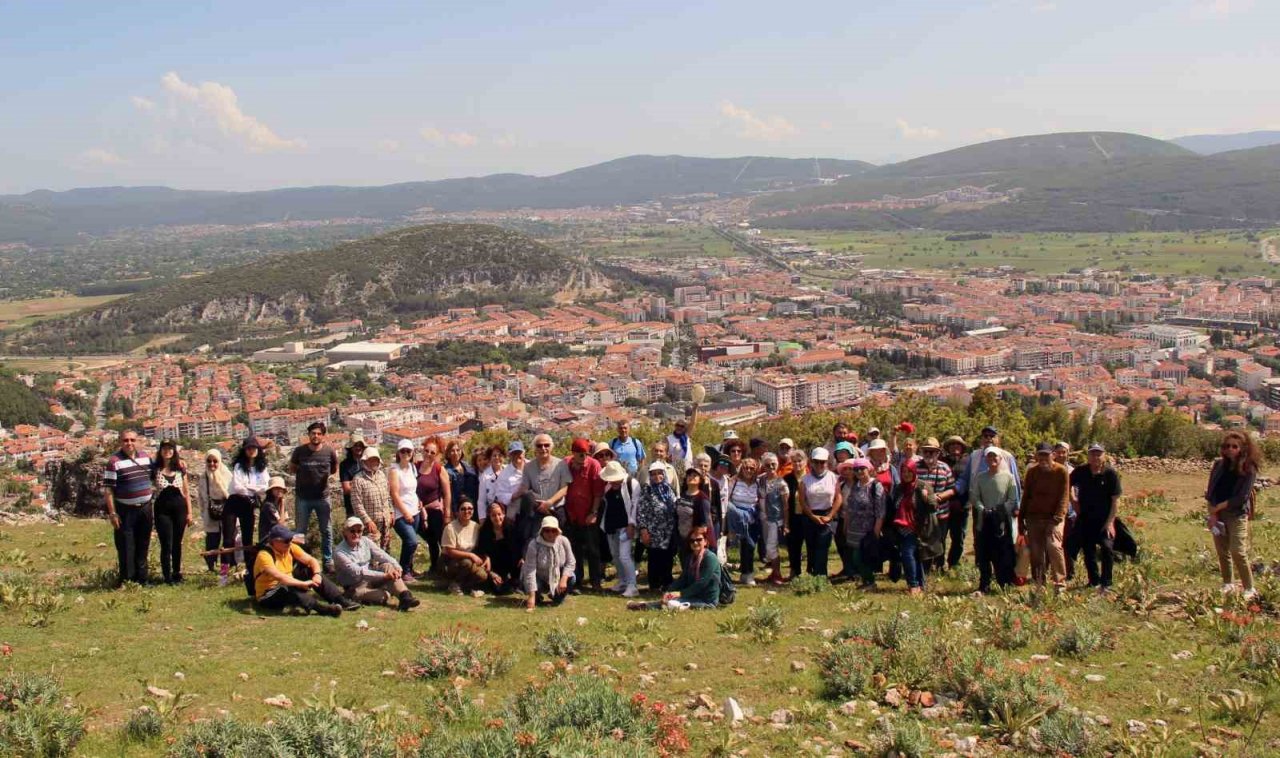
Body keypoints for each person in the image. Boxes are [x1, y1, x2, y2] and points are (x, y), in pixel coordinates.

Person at [253, 524, 354, 616]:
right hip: (268, 595)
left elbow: (311, 560)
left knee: (308, 570)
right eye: (286, 540)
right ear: (275, 541)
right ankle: (323, 609)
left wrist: (317, 574)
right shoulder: (264, 555)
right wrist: (302, 584)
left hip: (287, 584)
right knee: (286, 587)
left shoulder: (290, 547)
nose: (289, 542)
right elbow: (281, 578)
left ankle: (340, 600)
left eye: (290, 539)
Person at [1206, 431, 1260, 598]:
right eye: (1227, 446)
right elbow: (1211, 489)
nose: (1230, 449)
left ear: (1242, 448)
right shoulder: (1218, 465)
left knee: (1237, 550)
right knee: (1222, 550)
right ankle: (1228, 583)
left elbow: (1242, 496)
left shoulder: (1249, 468)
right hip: (1217, 512)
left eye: (1234, 446)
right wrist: (1213, 513)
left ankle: (1249, 588)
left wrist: (1220, 507)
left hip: (1236, 514)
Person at [333, 517, 419, 611]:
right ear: (345, 532)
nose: (356, 534)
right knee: (383, 595)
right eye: (352, 531)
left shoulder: (365, 541)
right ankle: (387, 591)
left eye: (359, 531)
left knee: (388, 566)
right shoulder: (339, 552)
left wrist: (397, 566)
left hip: (371, 579)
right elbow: (358, 572)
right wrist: (385, 576)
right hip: (355, 586)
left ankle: (405, 597)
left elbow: (381, 554)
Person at [1070, 443, 1122, 593]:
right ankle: (1093, 581)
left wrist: (1111, 522)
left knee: (1107, 548)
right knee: (1088, 551)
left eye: (1098, 454)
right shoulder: (1081, 471)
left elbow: (1115, 500)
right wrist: (1073, 501)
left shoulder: (1110, 474)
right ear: (1088, 456)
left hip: (1104, 519)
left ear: (1104, 455)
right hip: (1085, 517)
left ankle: (1107, 582)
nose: (1095, 457)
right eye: (1093, 454)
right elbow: (1067, 484)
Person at [103, 429, 153, 585]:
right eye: (126, 440)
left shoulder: (145, 458)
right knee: (126, 546)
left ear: (137, 441)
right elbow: (109, 489)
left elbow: (157, 473)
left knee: (143, 544)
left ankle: (143, 578)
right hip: (125, 510)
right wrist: (112, 513)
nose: (129, 443)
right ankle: (127, 580)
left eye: (132, 440)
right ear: (120, 442)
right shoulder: (114, 461)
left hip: (145, 508)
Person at [629, 527, 721, 610]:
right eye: (692, 541)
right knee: (670, 600)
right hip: (694, 596)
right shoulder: (690, 558)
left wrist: (680, 593)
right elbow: (683, 578)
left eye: (699, 540)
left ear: (705, 541)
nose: (695, 542)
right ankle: (645, 605)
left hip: (707, 601)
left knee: (672, 603)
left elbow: (701, 583)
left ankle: (644, 606)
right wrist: (669, 592)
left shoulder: (710, 558)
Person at [290, 421, 339, 573]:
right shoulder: (299, 451)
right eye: (313, 433)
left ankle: (327, 561)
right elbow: (292, 468)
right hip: (303, 497)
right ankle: (301, 562)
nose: (315, 436)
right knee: (300, 531)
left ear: (323, 436)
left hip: (322, 497)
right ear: (309, 435)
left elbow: (334, 469)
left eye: (319, 433)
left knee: (326, 530)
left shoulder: (329, 452)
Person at [970, 447, 1019, 593]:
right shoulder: (980, 477)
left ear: (1000, 459)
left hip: (1002, 521)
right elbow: (974, 497)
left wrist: (999, 509)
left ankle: (1004, 583)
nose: (992, 460)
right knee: (984, 553)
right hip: (984, 520)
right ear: (985, 459)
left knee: (1002, 553)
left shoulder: (1008, 477)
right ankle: (984, 584)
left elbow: (1012, 499)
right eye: (989, 457)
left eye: (995, 457)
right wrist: (982, 509)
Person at [1021, 442, 1069, 590]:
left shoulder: (1061, 471)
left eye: (1046, 455)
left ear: (1052, 455)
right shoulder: (1032, 472)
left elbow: (1064, 496)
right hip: (1034, 516)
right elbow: (1026, 495)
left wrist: (1057, 518)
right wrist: (1020, 519)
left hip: (1054, 517)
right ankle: (1039, 583)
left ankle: (1060, 582)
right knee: (1036, 551)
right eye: (1040, 455)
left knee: (1054, 546)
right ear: (1036, 456)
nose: (1042, 459)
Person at [891, 460, 940, 595]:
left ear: (914, 471)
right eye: (904, 472)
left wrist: (926, 498)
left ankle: (913, 585)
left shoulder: (922, 486)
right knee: (913, 556)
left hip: (916, 528)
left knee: (908, 555)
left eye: (909, 471)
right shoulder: (899, 488)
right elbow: (893, 505)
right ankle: (920, 585)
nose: (906, 475)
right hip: (900, 527)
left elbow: (933, 506)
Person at [224, 436, 269, 580]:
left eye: (254, 448)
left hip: (248, 504)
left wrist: (248, 488)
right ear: (245, 450)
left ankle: (250, 571)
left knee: (248, 539)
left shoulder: (261, 467)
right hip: (234, 502)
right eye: (249, 448)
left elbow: (265, 487)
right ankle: (225, 573)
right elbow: (237, 487)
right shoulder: (239, 466)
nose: (251, 451)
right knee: (228, 539)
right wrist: (253, 489)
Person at [563, 438, 605, 590]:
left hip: (589, 514)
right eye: (580, 454)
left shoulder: (594, 465)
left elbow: (598, 493)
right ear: (573, 453)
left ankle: (596, 581)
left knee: (593, 548)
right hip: (572, 514)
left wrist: (593, 512)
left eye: (586, 454)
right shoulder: (566, 464)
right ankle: (577, 581)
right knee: (575, 550)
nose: (583, 458)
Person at [517, 434, 572, 550]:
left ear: (551, 447)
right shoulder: (528, 467)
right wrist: (540, 504)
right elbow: (526, 489)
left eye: (546, 445)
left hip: (556, 509)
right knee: (536, 542)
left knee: (559, 544)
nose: (543, 448)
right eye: (539, 445)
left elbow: (565, 488)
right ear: (535, 448)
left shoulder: (561, 464)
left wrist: (550, 503)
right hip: (537, 509)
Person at [839, 458, 885, 587]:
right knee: (856, 557)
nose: (859, 472)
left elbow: (880, 511)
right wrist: (845, 526)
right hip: (854, 528)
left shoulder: (876, 485)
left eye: (862, 469)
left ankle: (870, 581)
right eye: (856, 469)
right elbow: (849, 507)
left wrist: (876, 530)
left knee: (861, 557)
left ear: (869, 469)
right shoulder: (855, 485)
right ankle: (866, 581)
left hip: (868, 529)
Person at [151, 440, 191, 584]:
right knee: (166, 543)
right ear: (160, 451)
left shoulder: (180, 469)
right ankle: (166, 575)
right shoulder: (155, 469)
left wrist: (190, 513)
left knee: (177, 543)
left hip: (179, 509)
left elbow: (186, 491)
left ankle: (177, 573)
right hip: (163, 510)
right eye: (164, 449)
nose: (167, 451)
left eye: (170, 449)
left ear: (174, 451)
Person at [598, 460, 640, 597]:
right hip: (611, 525)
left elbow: (635, 505)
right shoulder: (608, 487)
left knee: (625, 556)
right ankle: (622, 580)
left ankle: (632, 585)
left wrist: (631, 524)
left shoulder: (632, 484)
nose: (613, 482)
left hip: (626, 526)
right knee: (615, 555)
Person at [798, 447, 842, 578]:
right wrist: (812, 516)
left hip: (827, 514)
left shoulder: (833, 478)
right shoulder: (805, 480)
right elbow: (802, 500)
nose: (819, 465)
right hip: (810, 515)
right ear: (811, 462)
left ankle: (821, 575)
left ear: (827, 462)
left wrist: (830, 515)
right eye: (816, 462)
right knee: (811, 546)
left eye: (822, 462)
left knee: (823, 546)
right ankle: (812, 573)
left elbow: (838, 497)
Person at [636, 461, 680, 590]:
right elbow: (641, 511)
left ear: (664, 474)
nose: (657, 477)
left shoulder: (668, 489)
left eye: (659, 473)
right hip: (653, 531)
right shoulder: (647, 490)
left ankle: (667, 583)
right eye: (653, 474)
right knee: (654, 558)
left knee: (667, 558)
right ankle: (654, 585)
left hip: (669, 531)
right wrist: (643, 530)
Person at [915, 437, 956, 572]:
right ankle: (923, 568)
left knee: (940, 540)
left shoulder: (945, 468)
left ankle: (939, 566)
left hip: (940, 512)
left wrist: (939, 497)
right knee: (922, 540)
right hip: (920, 513)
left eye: (932, 452)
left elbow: (952, 488)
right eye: (926, 451)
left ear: (938, 453)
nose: (928, 454)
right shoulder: (915, 467)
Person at [522, 516, 577, 610]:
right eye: (547, 530)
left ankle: (557, 597)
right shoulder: (534, 544)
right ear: (542, 531)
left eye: (553, 530)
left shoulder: (563, 541)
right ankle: (537, 597)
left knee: (572, 578)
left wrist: (563, 579)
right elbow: (530, 570)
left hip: (557, 577)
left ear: (558, 531)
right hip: (538, 577)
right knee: (530, 582)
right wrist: (531, 596)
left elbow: (571, 562)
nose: (550, 533)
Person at [415, 437, 452, 575]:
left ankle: (442, 568)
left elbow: (447, 493)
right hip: (418, 511)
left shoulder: (438, 469)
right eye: (427, 451)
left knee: (439, 539)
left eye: (432, 453)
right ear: (422, 450)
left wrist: (447, 514)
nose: (429, 454)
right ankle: (435, 567)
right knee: (430, 540)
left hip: (435, 511)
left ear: (437, 455)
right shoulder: (415, 467)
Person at [387, 439, 422, 578]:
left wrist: (419, 502)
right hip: (401, 513)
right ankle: (403, 570)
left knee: (411, 544)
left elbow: (413, 490)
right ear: (398, 453)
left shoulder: (413, 468)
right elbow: (394, 494)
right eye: (403, 451)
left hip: (415, 511)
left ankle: (409, 568)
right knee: (411, 541)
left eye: (408, 451)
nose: (406, 453)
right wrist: (405, 512)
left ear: (413, 453)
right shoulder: (394, 470)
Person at [350, 446, 394, 552]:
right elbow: (357, 504)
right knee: (373, 552)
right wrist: (368, 521)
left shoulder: (382, 475)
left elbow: (388, 496)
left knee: (386, 552)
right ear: (365, 461)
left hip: (385, 521)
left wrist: (391, 512)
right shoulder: (358, 479)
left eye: (376, 459)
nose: (375, 462)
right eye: (371, 460)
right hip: (370, 525)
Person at [725, 457, 761, 585]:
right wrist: (738, 514)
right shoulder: (734, 481)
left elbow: (760, 499)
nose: (749, 470)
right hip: (736, 515)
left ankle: (746, 573)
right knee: (745, 543)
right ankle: (746, 573)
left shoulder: (758, 483)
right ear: (742, 468)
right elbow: (726, 499)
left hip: (752, 516)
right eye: (746, 467)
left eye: (752, 468)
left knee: (750, 545)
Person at [441, 500, 487, 596]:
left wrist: (487, 558)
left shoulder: (476, 526)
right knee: (467, 562)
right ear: (457, 512)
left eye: (470, 508)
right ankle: (455, 584)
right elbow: (450, 552)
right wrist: (471, 555)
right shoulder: (450, 527)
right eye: (463, 509)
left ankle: (465, 586)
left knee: (482, 575)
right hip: (450, 561)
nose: (467, 511)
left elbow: (481, 546)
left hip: (468, 561)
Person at [195, 448, 230, 573]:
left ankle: (225, 571)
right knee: (212, 541)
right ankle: (211, 568)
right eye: (209, 461)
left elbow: (232, 493)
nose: (212, 464)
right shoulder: (204, 477)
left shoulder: (226, 474)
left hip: (227, 512)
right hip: (211, 513)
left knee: (227, 542)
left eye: (215, 461)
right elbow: (201, 497)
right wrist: (204, 513)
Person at [758, 453, 789, 585]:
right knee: (767, 546)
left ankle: (777, 574)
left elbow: (786, 506)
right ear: (763, 466)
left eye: (773, 464)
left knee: (771, 547)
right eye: (767, 464)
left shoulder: (781, 483)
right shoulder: (761, 480)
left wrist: (786, 523)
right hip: (763, 517)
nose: (770, 467)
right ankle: (773, 574)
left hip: (775, 519)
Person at [476, 502, 521, 595]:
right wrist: (492, 573)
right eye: (493, 515)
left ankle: (514, 581)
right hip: (494, 567)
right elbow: (481, 550)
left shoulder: (511, 527)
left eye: (499, 514)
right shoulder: (485, 530)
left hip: (511, 564)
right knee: (499, 589)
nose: (497, 518)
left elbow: (518, 549)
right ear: (489, 516)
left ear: (503, 514)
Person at [939, 435, 970, 569]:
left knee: (958, 537)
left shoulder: (968, 461)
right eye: (952, 445)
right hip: (942, 505)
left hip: (961, 506)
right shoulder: (942, 461)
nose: (954, 447)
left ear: (962, 447)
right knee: (940, 536)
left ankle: (953, 563)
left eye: (957, 445)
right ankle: (938, 563)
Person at [676, 466, 716, 565]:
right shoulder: (682, 496)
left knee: (696, 566)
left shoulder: (702, 498)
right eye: (689, 475)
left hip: (696, 540)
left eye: (695, 476)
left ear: (700, 480)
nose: (691, 477)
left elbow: (705, 524)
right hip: (682, 537)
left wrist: (695, 538)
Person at [781, 447, 806, 580]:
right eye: (794, 461)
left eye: (800, 461)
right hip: (793, 516)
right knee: (793, 546)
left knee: (811, 544)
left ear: (805, 462)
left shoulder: (809, 477)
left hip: (808, 516)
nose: (797, 464)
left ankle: (812, 571)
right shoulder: (787, 478)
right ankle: (795, 571)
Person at [443, 440, 479, 512]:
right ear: (448, 454)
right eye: (452, 451)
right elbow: (446, 494)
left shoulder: (467, 466)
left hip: (473, 507)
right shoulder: (445, 471)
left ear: (461, 451)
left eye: (458, 450)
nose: (455, 453)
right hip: (457, 509)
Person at [338, 432, 367, 518]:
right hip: (352, 506)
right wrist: (366, 486)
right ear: (350, 447)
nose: (358, 447)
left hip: (368, 504)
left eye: (360, 445)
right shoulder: (344, 465)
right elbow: (346, 489)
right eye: (355, 445)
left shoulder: (368, 461)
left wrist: (353, 483)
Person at [476, 444, 506, 521]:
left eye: (500, 455)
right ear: (490, 458)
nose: (497, 458)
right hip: (493, 514)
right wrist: (482, 518)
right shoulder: (484, 476)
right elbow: (481, 501)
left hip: (510, 513)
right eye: (494, 455)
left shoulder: (509, 470)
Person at [666, 405, 698, 473]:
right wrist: (667, 458)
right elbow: (663, 453)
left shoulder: (686, 436)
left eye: (682, 426)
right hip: (674, 469)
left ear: (685, 428)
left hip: (688, 468)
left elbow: (693, 423)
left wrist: (694, 410)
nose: (679, 427)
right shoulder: (668, 439)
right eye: (677, 425)